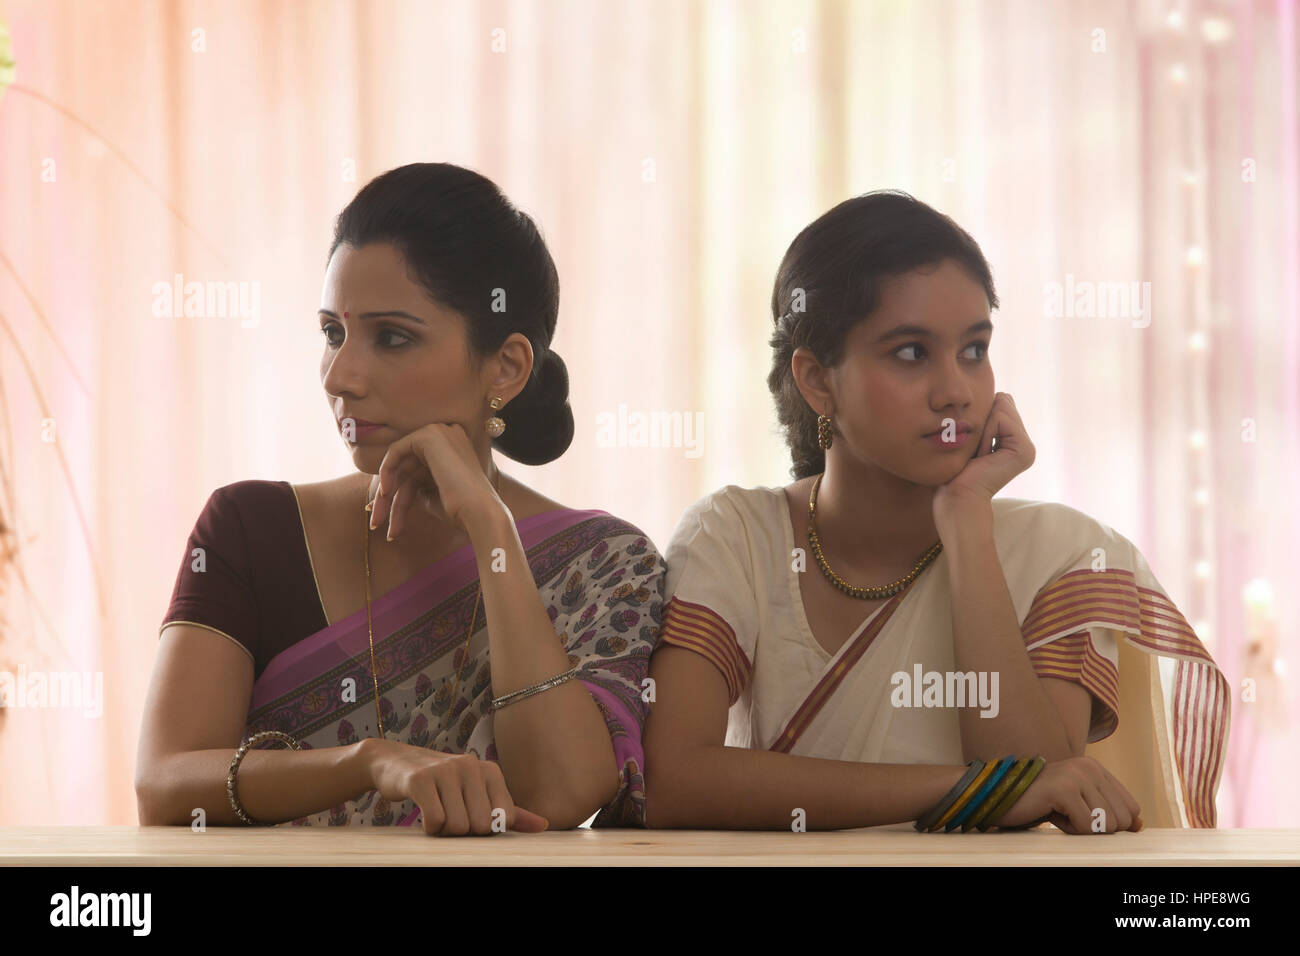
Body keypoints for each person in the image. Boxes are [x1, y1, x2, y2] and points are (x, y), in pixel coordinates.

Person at [644, 191, 1228, 833]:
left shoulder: (1062, 551)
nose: (956, 392)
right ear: (816, 381)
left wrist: (968, 527)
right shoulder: (736, 538)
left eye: (974, 350)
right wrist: (968, 789)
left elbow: (1045, 794)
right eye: (912, 353)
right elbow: (672, 782)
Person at [138, 163, 663, 835]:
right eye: (333, 332)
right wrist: (372, 762)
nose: (341, 376)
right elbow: (162, 786)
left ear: (505, 367)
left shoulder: (606, 563)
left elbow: (558, 795)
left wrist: (492, 531)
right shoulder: (248, 529)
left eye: (392, 336)